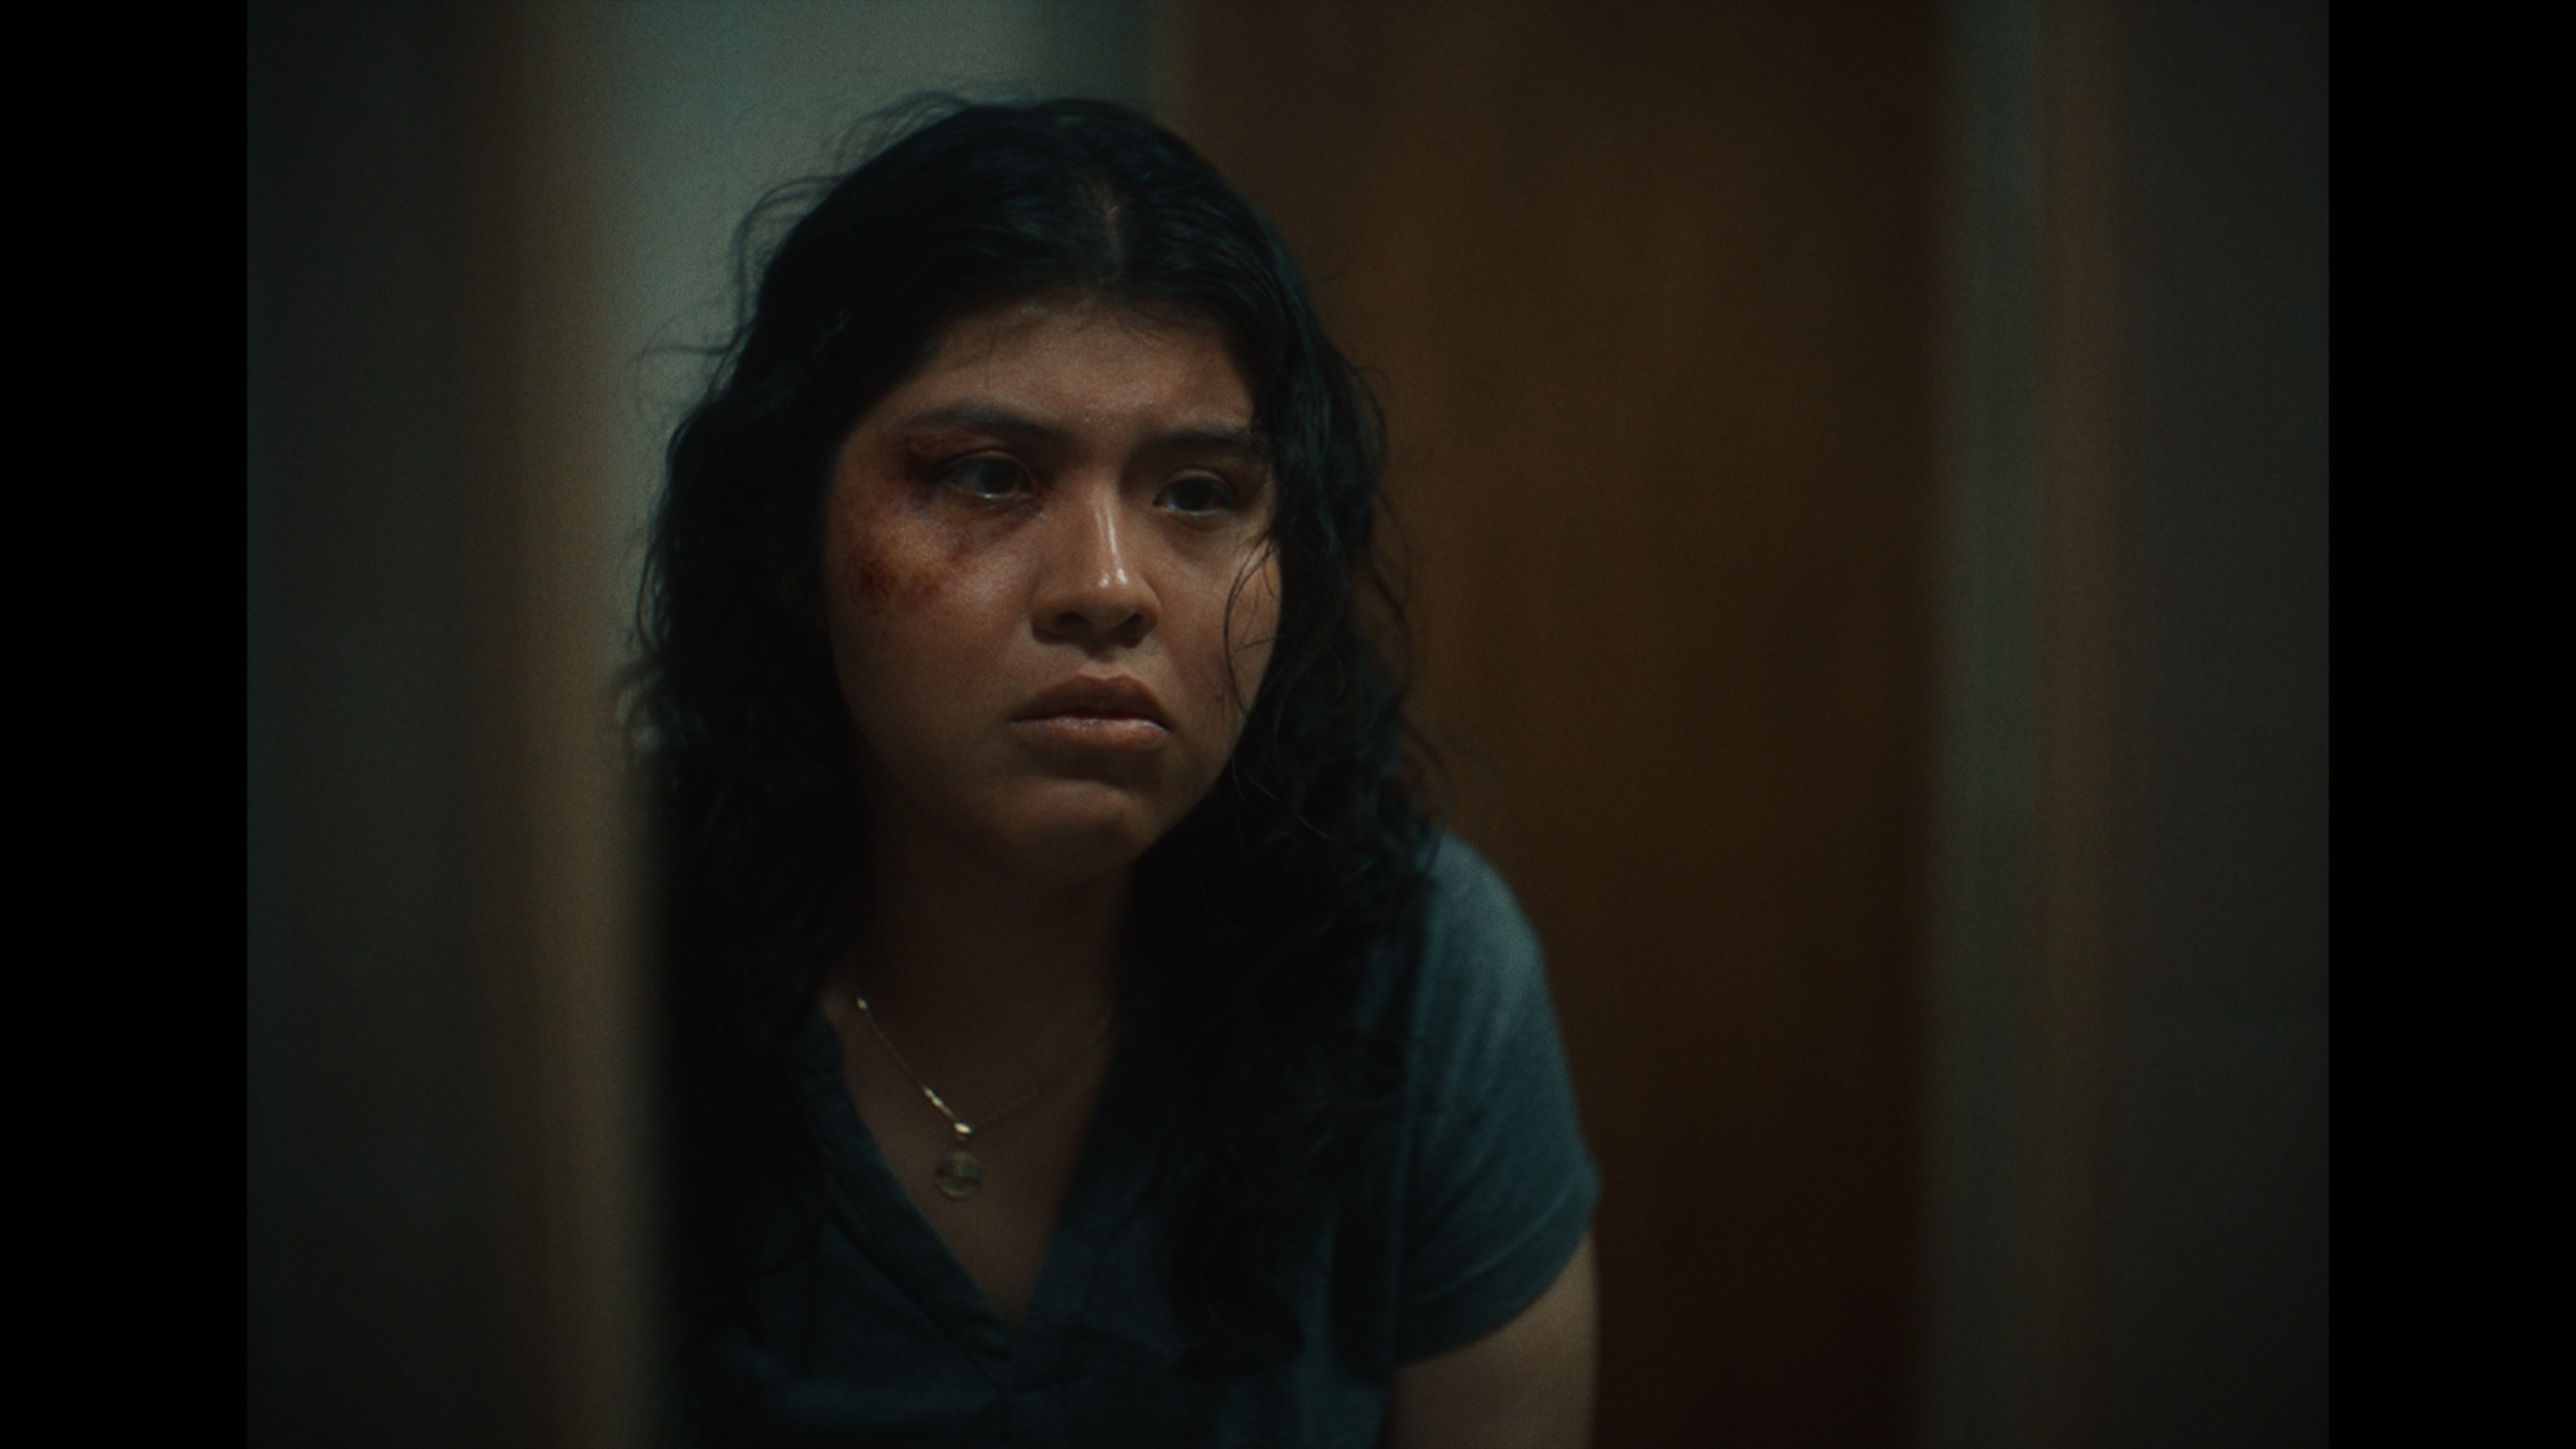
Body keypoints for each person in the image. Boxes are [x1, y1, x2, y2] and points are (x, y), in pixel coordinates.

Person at [631, 97, 1599, 1446]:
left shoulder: (1418, 983)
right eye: (984, 476)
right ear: (787, 540)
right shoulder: (583, 984)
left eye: (1198, 494)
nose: (1107, 588)